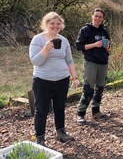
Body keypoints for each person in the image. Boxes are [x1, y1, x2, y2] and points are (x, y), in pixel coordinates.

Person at [29, 12, 80, 146]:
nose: (55, 26)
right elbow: (35, 61)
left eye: (58, 24)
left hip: (62, 79)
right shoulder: (38, 39)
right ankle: (40, 138)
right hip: (42, 80)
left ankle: (61, 132)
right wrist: (46, 49)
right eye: (52, 23)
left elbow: (69, 60)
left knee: (59, 107)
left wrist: (74, 77)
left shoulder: (63, 41)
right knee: (41, 109)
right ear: (46, 24)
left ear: (61, 25)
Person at [76, 8, 110, 125]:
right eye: (96, 16)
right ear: (92, 16)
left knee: (100, 88)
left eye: (100, 17)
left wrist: (107, 47)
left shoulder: (104, 31)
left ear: (103, 19)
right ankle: (80, 113)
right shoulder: (85, 30)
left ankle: (96, 111)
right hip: (90, 62)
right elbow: (79, 46)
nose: (98, 18)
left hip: (103, 62)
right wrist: (95, 45)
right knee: (88, 88)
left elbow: (108, 48)